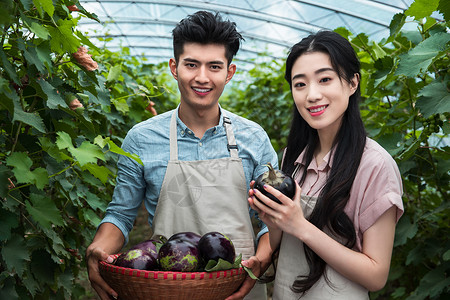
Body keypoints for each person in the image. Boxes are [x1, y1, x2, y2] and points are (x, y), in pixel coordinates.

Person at [86, 10, 278, 300]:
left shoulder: (254, 138)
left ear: (230, 72)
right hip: (167, 287)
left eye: (214, 66)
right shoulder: (142, 138)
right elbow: (122, 215)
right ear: (175, 67)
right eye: (191, 65)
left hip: (239, 287)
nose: (202, 77)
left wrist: (259, 262)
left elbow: (271, 220)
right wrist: (100, 247)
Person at [248, 30, 404, 299]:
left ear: (353, 82)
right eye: (300, 84)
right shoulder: (292, 158)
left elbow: (376, 275)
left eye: (325, 79)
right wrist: (273, 219)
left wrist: (301, 226)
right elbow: (284, 241)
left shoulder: (375, 166)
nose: (312, 95)